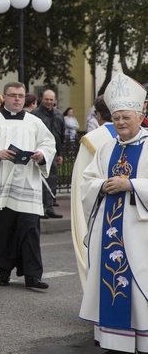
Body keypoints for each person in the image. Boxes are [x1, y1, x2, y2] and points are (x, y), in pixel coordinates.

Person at [80, 73, 148, 354]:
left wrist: (130, 184)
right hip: (109, 232)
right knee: (111, 283)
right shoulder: (107, 147)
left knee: (138, 282)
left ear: (140, 115)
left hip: (140, 234)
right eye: (117, 117)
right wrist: (102, 185)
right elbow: (87, 181)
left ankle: (143, 342)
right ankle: (114, 343)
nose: (121, 122)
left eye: (126, 117)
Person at [0, 81, 56, 290]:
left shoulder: (34, 122)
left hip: (26, 183)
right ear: (4, 97)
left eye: (20, 95)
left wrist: (41, 154)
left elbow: (48, 143)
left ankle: (33, 276)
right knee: (3, 229)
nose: (17, 99)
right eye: (13, 95)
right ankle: (4, 271)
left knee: (28, 229)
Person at [70, 96, 112, 289]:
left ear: (98, 115)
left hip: (101, 210)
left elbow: (81, 181)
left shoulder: (92, 139)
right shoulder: (141, 137)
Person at [31, 89, 66, 219]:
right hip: (39, 152)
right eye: (47, 99)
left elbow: (61, 135)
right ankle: (41, 207)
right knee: (40, 179)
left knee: (52, 179)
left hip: (54, 153)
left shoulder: (58, 114)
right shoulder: (35, 114)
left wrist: (60, 153)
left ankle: (49, 207)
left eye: (51, 99)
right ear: (42, 99)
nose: (49, 102)